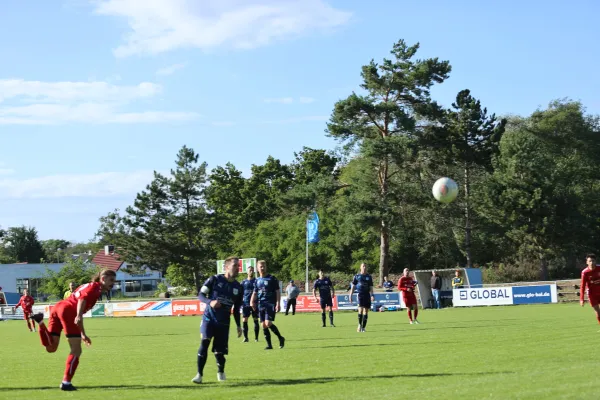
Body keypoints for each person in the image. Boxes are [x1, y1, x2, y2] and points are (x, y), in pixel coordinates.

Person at [30, 269, 116, 391]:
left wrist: (82, 333)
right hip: (68, 311)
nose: (113, 283)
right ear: (103, 279)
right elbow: (82, 299)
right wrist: (79, 315)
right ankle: (66, 382)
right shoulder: (95, 288)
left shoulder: (89, 286)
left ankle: (40, 323)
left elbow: (79, 298)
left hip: (58, 307)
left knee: (51, 348)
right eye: (111, 280)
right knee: (76, 350)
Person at [192, 257, 243, 384]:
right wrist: (211, 302)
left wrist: (238, 325)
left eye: (238, 266)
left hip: (224, 323)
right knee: (204, 342)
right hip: (209, 318)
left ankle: (220, 371)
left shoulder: (238, 287)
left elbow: (236, 309)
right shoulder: (214, 279)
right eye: (235, 265)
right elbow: (201, 295)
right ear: (226, 267)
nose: (238, 268)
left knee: (219, 352)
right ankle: (199, 375)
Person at [250, 260, 285, 350]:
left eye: (264, 266)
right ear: (257, 268)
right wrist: (251, 302)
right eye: (260, 266)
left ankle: (280, 338)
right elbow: (255, 292)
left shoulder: (272, 278)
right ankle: (269, 345)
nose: (262, 268)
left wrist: (278, 303)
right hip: (260, 304)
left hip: (270, 303)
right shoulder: (257, 280)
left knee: (268, 323)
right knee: (263, 325)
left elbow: (277, 291)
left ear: (266, 267)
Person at [350, 263, 374, 332]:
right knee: (360, 310)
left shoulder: (369, 277)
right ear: (360, 267)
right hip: (360, 295)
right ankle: (359, 325)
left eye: (365, 266)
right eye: (363, 266)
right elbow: (353, 287)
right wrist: (350, 295)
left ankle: (363, 327)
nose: (364, 267)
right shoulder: (357, 276)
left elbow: (371, 287)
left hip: (367, 295)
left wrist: (372, 295)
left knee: (366, 311)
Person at [241, 266, 260, 342]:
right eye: (250, 270)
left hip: (255, 304)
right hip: (245, 304)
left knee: (255, 320)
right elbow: (240, 293)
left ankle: (256, 338)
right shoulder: (243, 282)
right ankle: (246, 338)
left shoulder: (256, 281)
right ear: (247, 272)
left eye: (252, 270)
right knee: (244, 320)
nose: (251, 272)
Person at [580, 253, 600, 325]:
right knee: (597, 312)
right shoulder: (585, 272)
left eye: (593, 261)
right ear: (587, 262)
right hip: (592, 295)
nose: (592, 263)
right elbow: (582, 286)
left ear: (596, 261)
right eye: (590, 261)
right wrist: (581, 299)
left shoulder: (599, 268)